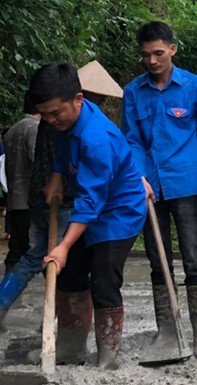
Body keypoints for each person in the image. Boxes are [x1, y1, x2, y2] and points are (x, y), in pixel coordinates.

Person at [30, 62, 146, 369]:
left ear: (78, 100)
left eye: (56, 113)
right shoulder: (63, 123)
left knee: (104, 279)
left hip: (119, 211)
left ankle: (108, 356)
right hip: (92, 204)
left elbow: (90, 205)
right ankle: (69, 348)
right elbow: (61, 149)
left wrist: (63, 246)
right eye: (45, 114)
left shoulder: (97, 139)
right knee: (69, 274)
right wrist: (56, 176)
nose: (51, 120)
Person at [122, 21, 197, 359]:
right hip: (150, 187)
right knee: (156, 257)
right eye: (146, 55)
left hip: (188, 184)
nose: (152, 61)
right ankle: (166, 330)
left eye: (159, 53)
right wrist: (138, 176)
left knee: (194, 258)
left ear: (173, 49)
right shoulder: (134, 92)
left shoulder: (196, 87)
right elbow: (132, 140)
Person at [0, 61, 122, 335]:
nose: (52, 118)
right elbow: (86, 191)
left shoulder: (53, 123)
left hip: (37, 201)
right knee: (65, 267)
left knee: (34, 258)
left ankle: (44, 323)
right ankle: (64, 332)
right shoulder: (64, 122)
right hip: (65, 204)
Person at [3, 96, 40, 272]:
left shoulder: (12, 130)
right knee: (35, 251)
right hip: (30, 201)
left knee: (16, 252)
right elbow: (37, 161)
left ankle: (6, 296)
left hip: (14, 201)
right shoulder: (34, 128)